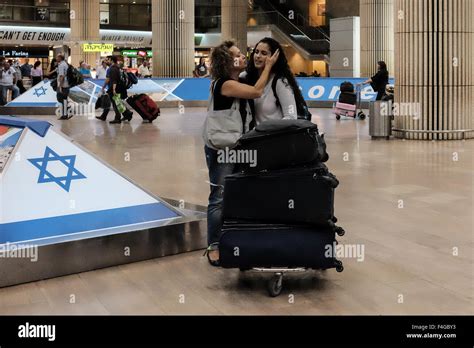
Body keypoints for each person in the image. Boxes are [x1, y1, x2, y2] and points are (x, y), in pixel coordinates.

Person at [203, 40, 279, 266]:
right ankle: (214, 245)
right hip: (221, 149)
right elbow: (256, 92)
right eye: (238, 55)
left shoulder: (237, 80)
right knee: (218, 197)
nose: (244, 56)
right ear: (227, 61)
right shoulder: (224, 84)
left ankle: (232, 238)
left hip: (236, 147)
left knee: (235, 194)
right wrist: (268, 66)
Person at [243, 37, 300, 124]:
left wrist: (271, 130)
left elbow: (291, 116)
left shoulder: (280, 82)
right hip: (252, 135)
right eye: (256, 52)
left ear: (274, 57)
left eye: (264, 53)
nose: (258, 56)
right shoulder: (245, 77)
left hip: (273, 135)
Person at [96, 55, 132, 124]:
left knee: (115, 103)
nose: (106, 61)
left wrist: (107, 88)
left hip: (113, 88)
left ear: (111, 60)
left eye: (107, 60)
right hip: (118, 88)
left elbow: (110, 79)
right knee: (116, 102)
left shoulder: (111, 69)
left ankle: (118, 117)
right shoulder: (118, 67)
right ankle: (127, 113)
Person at [56, 54, 72, 120]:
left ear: (60, 58)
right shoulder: (65, 64)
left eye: (57, 57)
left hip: (63, 85)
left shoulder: (61, 65)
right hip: (66, 85)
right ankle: (65, 115)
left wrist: (60, 86)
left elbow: (61, 76)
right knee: (64, 99)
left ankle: (68, 109)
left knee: (60, 98)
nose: (56, 58)